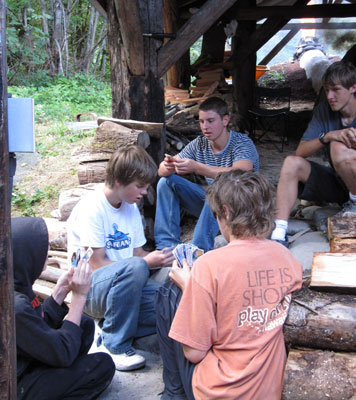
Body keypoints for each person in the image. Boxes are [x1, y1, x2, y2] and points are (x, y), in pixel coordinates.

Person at [156, 170, 303, 400]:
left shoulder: (209, 265)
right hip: (267, 390)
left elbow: (194, 353)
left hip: (221, 390)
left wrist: (190, 288)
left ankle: (173, 393)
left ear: (225, 211)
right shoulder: (287, 258)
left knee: (169, 290)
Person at [67, 145, 174, 371]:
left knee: (175, 302)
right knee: (136, 268)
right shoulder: (92, 208)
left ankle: (108, 325)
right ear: (118, 180)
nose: (144, 192)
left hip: (126, 289)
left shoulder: (131, 207)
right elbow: (95, 266)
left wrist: (166, 258)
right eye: (140, 186)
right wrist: (145, 263)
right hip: (90, 291)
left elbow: (138, 254)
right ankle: (115, 344)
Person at [270, 60, 356, 245]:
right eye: (327, 90)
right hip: (341, 183)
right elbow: (300, 152)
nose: (330, 96)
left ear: (353, 87)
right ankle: (279, 232)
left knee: (339, 146)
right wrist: (327, 136)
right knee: (291, 162)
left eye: (336, 90)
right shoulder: (324, 111)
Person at [13, 217, 115, 400]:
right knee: (102, 365)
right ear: (26, 254)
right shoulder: (14, 306)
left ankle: (58, 377)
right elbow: (62, 351)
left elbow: (35, 326)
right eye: (41, 250)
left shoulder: (15, 281)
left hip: (24, 357)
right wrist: (79, 297)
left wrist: (59, 292)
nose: (46, 254)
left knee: (83, 325)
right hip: (14, 385)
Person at [154, 96, 259, 253]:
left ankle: (198, 251)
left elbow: (241, 172)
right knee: (166, 182)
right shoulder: (199, 143)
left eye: (210, 121)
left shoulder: (242, 142)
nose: (205, 126)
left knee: (217, 190)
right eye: (202, 121)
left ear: (225, 120)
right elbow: (161, 172)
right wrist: (167, 165)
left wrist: (197, 167)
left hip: (240, 208)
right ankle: (167, 246)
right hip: (213, 207)